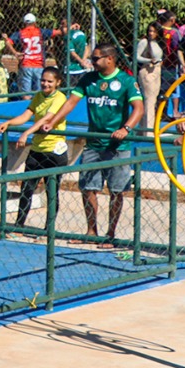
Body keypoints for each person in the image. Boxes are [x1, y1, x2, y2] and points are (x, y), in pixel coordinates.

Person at [38, 45, 144, 247]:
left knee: (116, 190)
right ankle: (91, 230)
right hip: (93, 143)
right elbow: (71, 103)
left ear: (110, 59)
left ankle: (110, 233)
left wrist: (126, 128)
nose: (92, 62)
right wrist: (52, 121)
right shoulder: (89, 79)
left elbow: (138, 109)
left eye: (96, 59)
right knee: (88, 188)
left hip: (117, 146)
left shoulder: (127, 81)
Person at [0, 66, 70, 227]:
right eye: (43, 80)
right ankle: (19, 225)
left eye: (50, 81)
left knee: (52, 191)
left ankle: (48, 229)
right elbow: (26, 116)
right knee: (26, 189)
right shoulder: (38, 96)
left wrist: (26, 133)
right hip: (37, 150)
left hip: (54, 151)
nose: (45, 84)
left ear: (58, 82)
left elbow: (47, 119)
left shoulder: (59, 98)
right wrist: (9, 122)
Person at [6, 14, 62, 95]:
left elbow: (8, 42)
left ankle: (26, 106)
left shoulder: (20, 33)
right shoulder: (40, 32)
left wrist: (15, 53)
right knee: (39, 91)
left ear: (24, 23)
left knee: (26, 92)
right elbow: (58, 32)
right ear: (35, 22)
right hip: (39, 64)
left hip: (26, 63)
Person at [134, 21, 164, 127]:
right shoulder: (144, 42)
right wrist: (149, 60)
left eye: (154, 31)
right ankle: (148, 129)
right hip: (147, 70)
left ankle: (143, 128)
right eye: (150, 31)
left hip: (157, 70)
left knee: (153, 100)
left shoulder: (158, 43)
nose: (151, 33)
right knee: (149, 100)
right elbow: (136, 56)